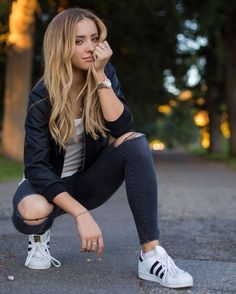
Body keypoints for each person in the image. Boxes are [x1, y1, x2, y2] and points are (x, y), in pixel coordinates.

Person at [12, 7, 193, 289]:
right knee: (34, 209)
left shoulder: (104, 74)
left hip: (87, 182)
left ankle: (151, 255)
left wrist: (100, 77)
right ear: (61, 45)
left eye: (94, 38)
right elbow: (36, 166)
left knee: (136, 143)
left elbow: (122, 129)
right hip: (47, 185)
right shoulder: (42, 95)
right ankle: (39, 237)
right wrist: (81, 215)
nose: (89, 47)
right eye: (78, 40)